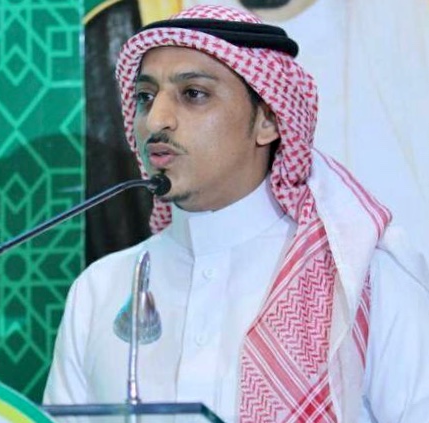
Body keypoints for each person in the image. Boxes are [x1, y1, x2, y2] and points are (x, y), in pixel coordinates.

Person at [44, 5, 429, 422]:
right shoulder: (98, 291)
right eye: (145, 97)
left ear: (268, 120)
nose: (156, 120)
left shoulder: (361, 282)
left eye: (193, 94)